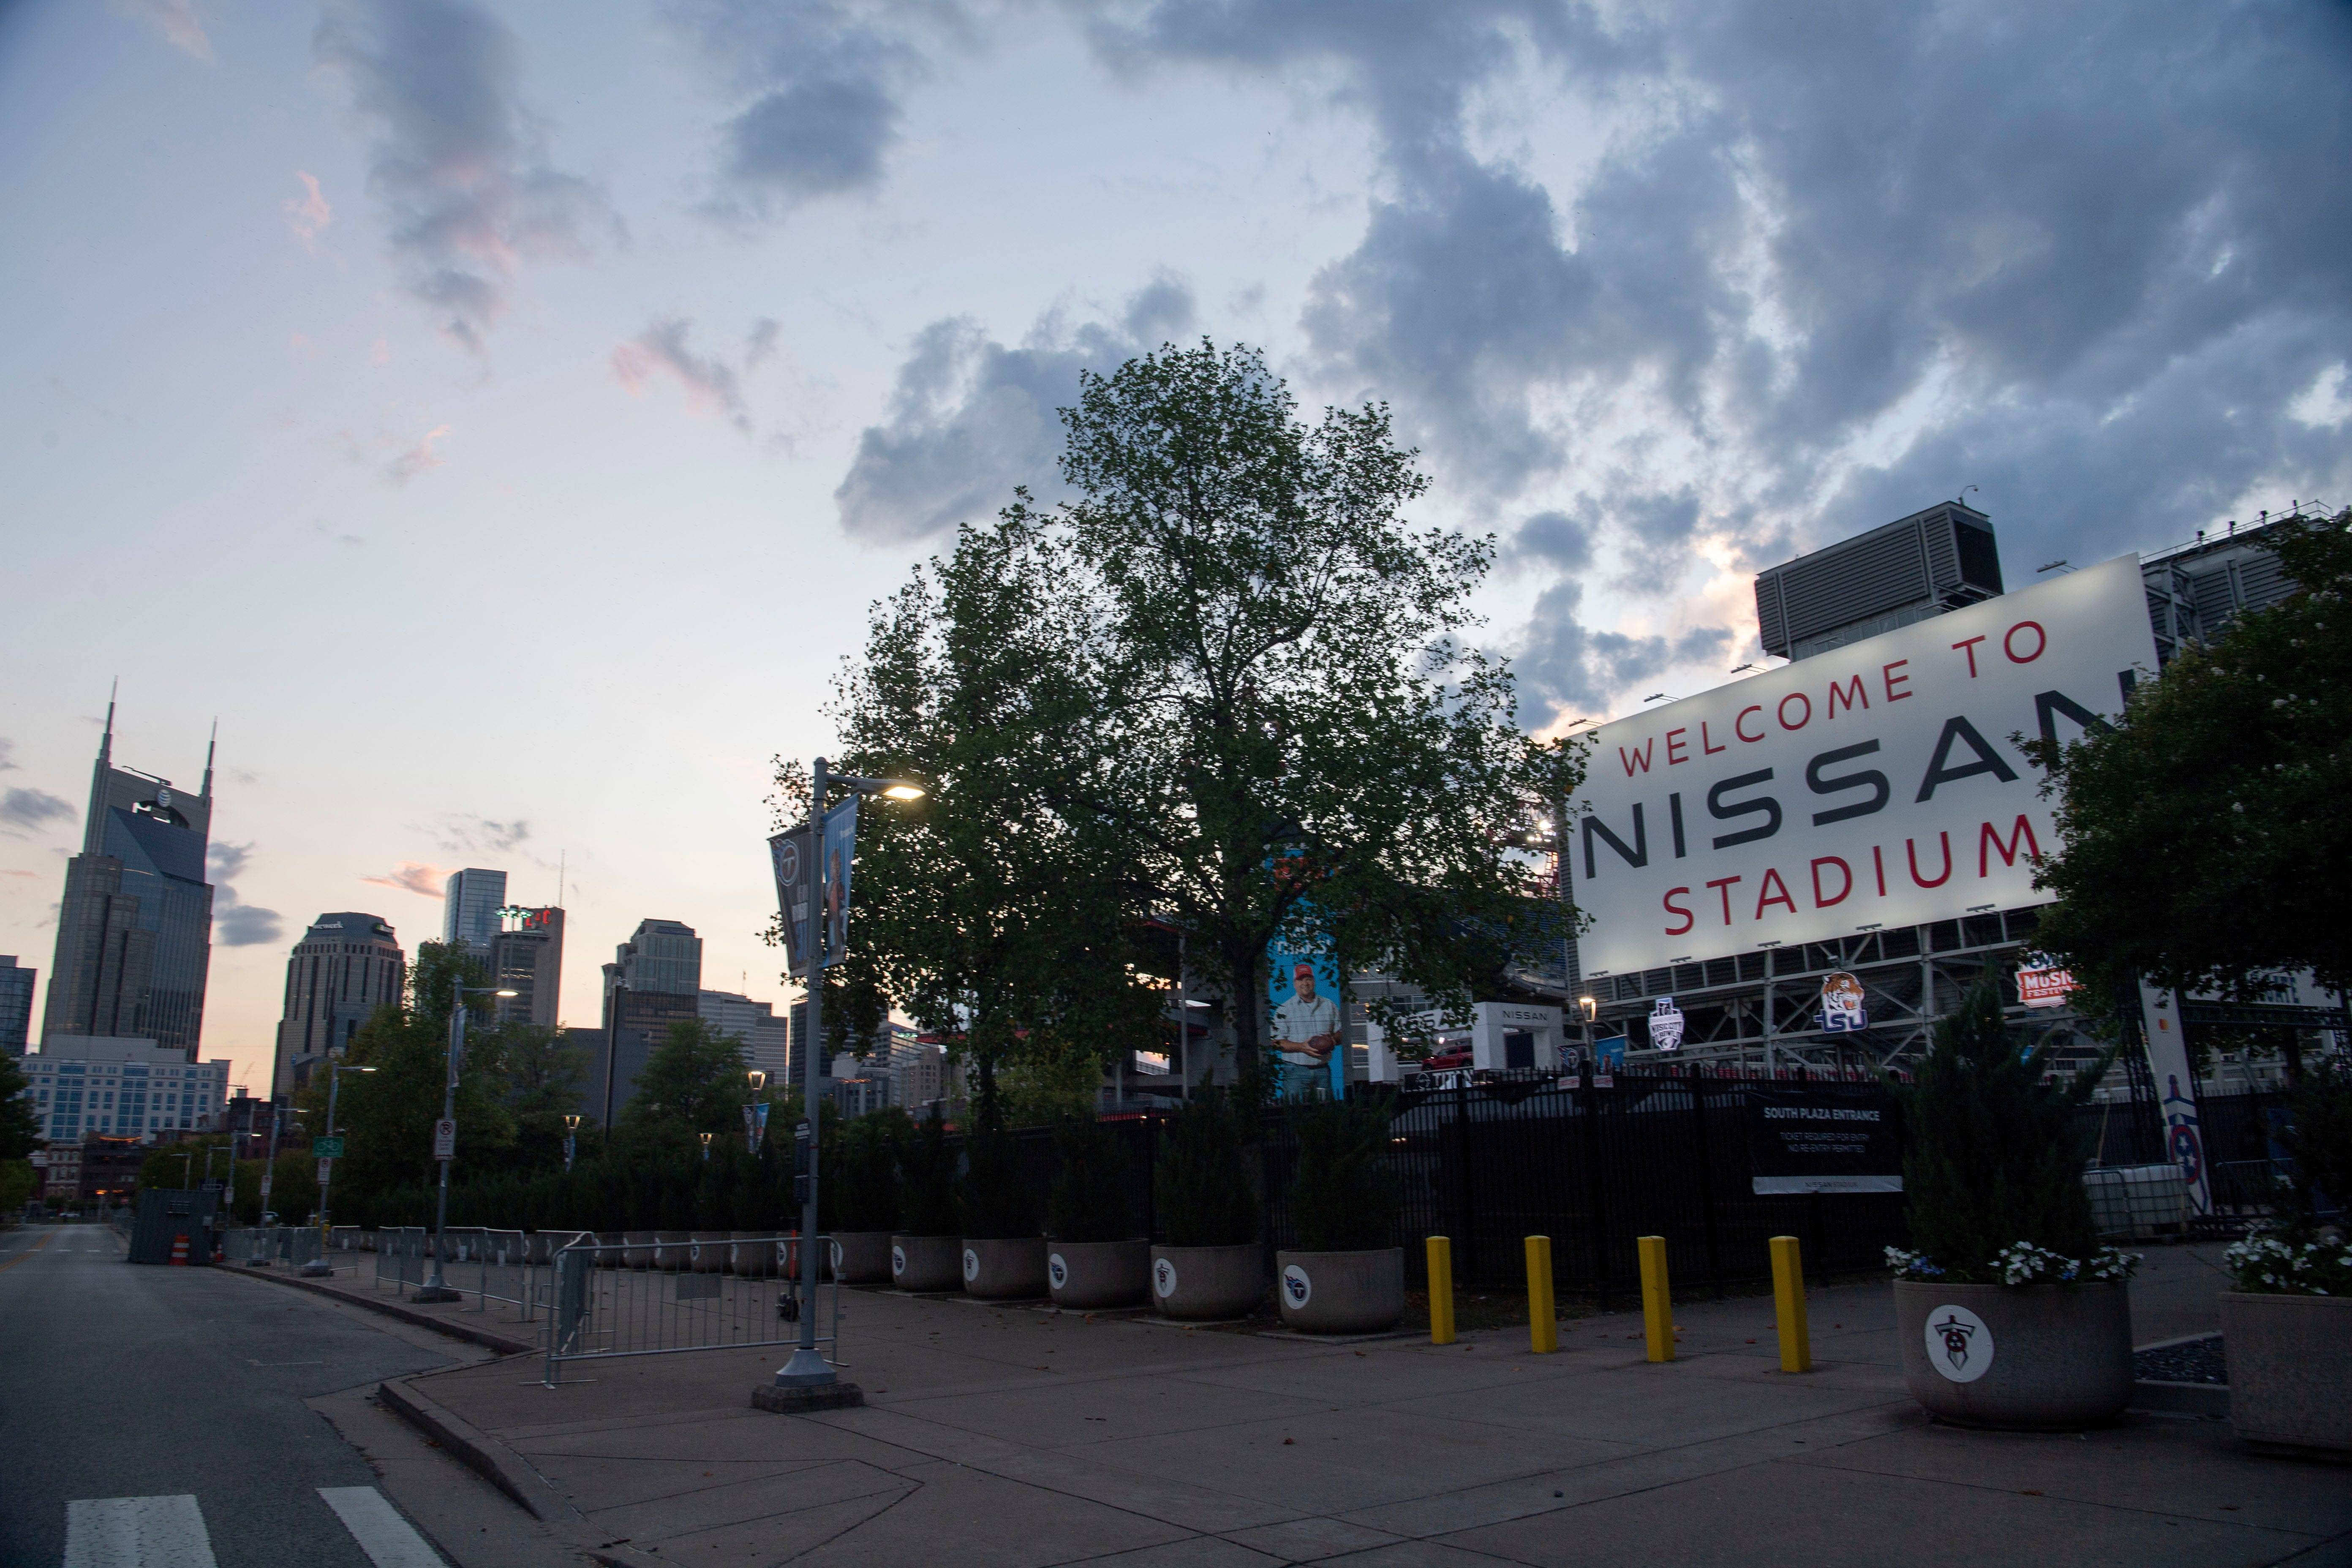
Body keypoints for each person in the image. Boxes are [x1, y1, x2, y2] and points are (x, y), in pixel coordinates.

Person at [1271, 962, 1342, 1098]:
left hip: (1322, 1070)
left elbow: (1342, 1034)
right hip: (1295, 1071)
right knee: (1296, 1111)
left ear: (1314, 982)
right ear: (1294, 983)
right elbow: (1276, 1042)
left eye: (1308, 979)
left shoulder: (1329, 1005)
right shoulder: (1284, 1009)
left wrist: (1332, 1040)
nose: (1305, 983)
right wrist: (1301, 1047)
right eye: (1300, 979)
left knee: (1324, 1113)